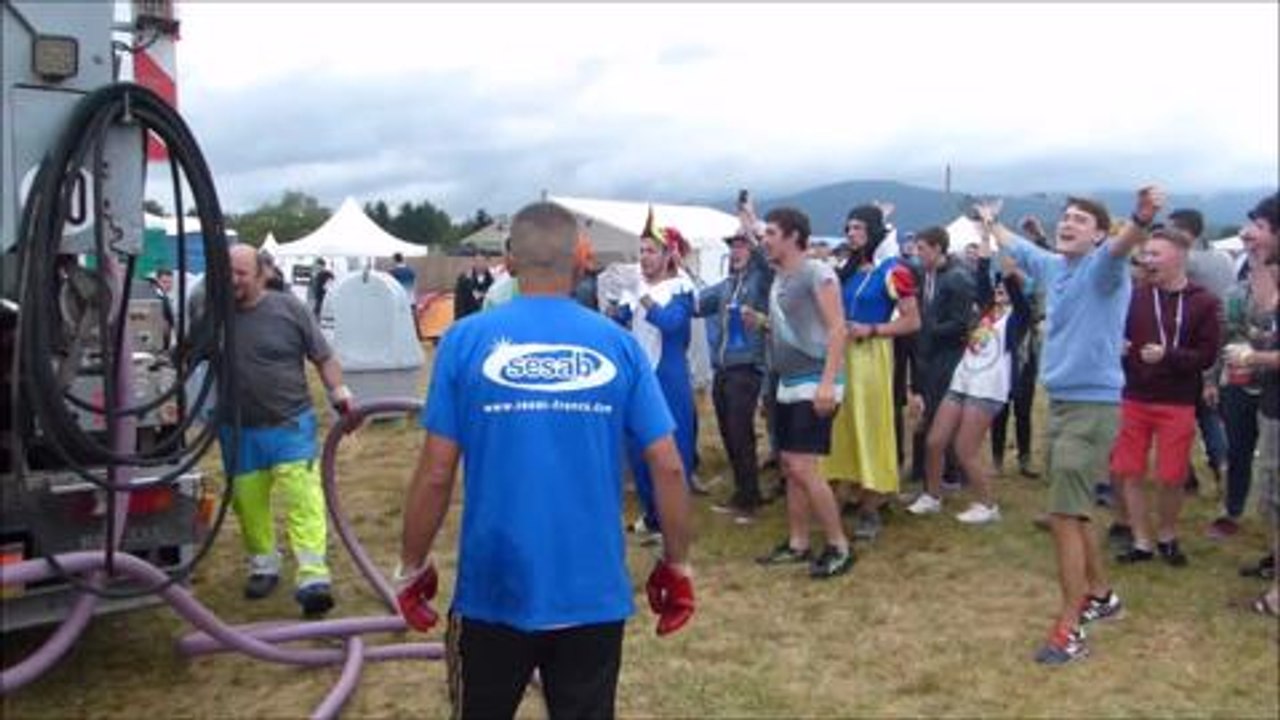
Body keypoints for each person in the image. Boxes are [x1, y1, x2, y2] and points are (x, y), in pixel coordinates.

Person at [395, 202, 694, 719]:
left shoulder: (464, 341)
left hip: (494, 586)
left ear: (509, 262)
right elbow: (667, 466)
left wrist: (412, 565)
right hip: (592, 590)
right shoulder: (618, 345)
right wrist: (677, 563)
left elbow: (436, 471)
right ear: (581, 261)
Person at [981, 186, 1160, 665]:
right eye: (1067, 217)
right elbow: (1015, 245)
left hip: (1092, 408)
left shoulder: (1103, 269)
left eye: (1082, 220)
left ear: (1099, 234)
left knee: (1062, 515)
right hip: (1060, 404)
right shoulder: (1054, 267)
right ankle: (1101, 595)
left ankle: (1070, 626)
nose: (1069, 223)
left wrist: (1141, 219)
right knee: (1073, 509)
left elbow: (1123, 246)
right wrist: (988, 220)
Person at [220, 245, 355, 618]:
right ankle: (264, 566)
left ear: (262, 273)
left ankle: (313, 579)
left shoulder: (289, 310)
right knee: (248, 503)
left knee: (302, 498)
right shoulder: (213, 314)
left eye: (241, 273)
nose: (232, 280)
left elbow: (323, 357)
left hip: (289, 423)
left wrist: (340, 394)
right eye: (227, 271)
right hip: (237, 428)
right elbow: (184, 354)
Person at [1111, 227, 1222, 567]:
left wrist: (1169, 355)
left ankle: (1167, 534)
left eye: (1155, 254)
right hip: (1135, 396)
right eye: (1146, 254)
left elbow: (1206, 355)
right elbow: (1117, 336)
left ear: (1179, 258)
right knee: (1129, 471)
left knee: (1171, 475)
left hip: (1177, 401)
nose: (1147, 261)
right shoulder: (1135, 295)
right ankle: (1142, 540)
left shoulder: (1204, 301)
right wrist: (1120, 348)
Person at [753, 207, 853, 578]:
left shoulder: (818, 272)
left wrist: (828, 383)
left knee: (803, 466)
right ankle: (798, 542)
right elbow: (794, 326)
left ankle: (838, 544)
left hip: (815, 380)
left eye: (771, 234)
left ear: (794, 236)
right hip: (788, 381)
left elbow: (838, 328)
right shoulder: (781, 277)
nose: (765, 240)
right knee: (790, 467)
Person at [915, 223, 1031, 525]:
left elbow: (1016, 297)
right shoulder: (986, 314)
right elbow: (981, 275)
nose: (1001, 292)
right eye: (999, 289)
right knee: (935, 441)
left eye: (1006, 288)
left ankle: (987, 504)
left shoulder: (1016, 321)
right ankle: (932, 494)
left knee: (964, 450)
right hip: (962, 381)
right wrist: (985, 234)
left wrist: (1010, 273)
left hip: (987, 389)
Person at [821, 205, 920, 541]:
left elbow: (912, 320)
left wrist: (873, 329)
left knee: (870, 427)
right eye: (848, 228)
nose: (851, 234)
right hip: (840, 358)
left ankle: (872, 505)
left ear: (874, 231)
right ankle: (844, 493)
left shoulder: (893, 271)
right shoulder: (846, 270)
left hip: (871, 359)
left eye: (858, 228)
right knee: (841, 430)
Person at [607, 210, 698, 543]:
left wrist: (641, 293)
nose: (643, 257)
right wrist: (614, 306)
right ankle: (652, 514)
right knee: (637, 446)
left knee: (673, 447)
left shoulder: (681, 287)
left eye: (650, 251)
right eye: (641, 251)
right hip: (639, 375)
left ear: (667, 255)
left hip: (668, 375)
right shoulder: (637, 288)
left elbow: (671, 322)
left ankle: (673, 519)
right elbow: (621, 323)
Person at [1208, 194, 1280, 540]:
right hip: (1247, 382)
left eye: (1259, 227)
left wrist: (1254, 355)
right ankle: (1233, 510)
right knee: (1240, 449)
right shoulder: (1242, 276)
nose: (1248, 233)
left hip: (1264, 375)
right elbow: (1263, 315)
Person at [698, 230, 772, 523]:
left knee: (741, 433)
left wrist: (752, 231)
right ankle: (743, 492)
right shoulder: (726, 285)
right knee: (729, 432)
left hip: (747, 367)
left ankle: (750, 499)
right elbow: (696, 304)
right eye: (733, 247)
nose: (736, 252)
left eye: (742, 247)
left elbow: (766, 265)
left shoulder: (760, 282)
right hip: (724, 368)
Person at [906, 226, 976, 509]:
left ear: (937, 248)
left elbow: (960, 323)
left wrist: (926, 329)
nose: (917, 253)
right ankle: (934, 478)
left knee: (938, 418)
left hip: (947, 358)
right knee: (927, 415)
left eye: (921, 248)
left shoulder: (957, 279)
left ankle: (946, 478)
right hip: (927, 356)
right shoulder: (925, 275)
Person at [1169, 208, 1233, 496]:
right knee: (1209, 413)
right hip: (1220, 341)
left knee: (1178, 413)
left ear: (1184, 232)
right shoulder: (1223, 258)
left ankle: (1187, 475)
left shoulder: (1188, 261)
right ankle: (1221, 465)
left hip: (1190, 342)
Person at [455, 247, 496, 319]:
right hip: (469, 319)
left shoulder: (493, 280)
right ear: (473, 262)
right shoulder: (464, 279)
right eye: (477, 261)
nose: (479, 264)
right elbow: (459, 305)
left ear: (488, 262)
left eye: (482, 261)